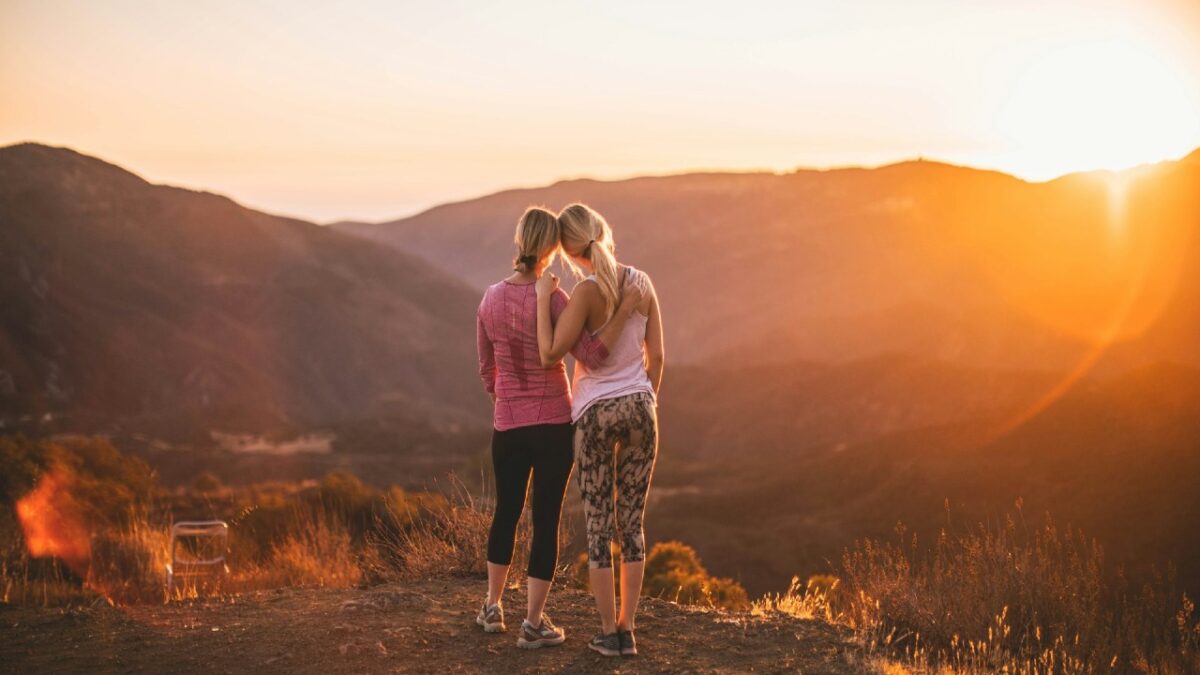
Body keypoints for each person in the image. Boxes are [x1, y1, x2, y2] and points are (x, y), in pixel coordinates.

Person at [475, 206, 642, 649]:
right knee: (545, 519)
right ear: (552, 249)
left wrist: (504, 395)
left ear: (518, 241)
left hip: (507, 425)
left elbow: (486, 367)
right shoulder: (555, 299)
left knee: (505, 512)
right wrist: (624, 311)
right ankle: (533, 623)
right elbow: (592, 355)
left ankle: (492, 608)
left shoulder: (490, 298)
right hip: (553, 426)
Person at [535, 203, 664, 657]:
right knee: (633, 523)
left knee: (598, 525)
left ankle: (609, 631)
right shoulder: (643, 283)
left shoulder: (586, 294)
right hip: (641, 410)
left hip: (594, 415)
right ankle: (629, 629)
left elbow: (570, 354)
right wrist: (645, 401)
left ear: (570, 253)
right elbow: (659, 358)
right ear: (604, 232)